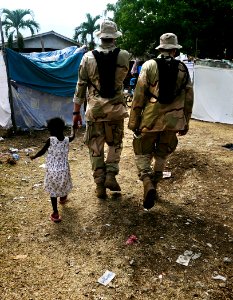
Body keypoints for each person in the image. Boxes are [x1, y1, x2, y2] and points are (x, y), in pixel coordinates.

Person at [128, 33, 194, 209]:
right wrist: (185, 121)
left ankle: (147, 180)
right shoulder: (182, 68)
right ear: (174, 50)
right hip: (173, 121)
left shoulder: (148, 66)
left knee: (142, 152)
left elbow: (138, 96)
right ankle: (155, 184)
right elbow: (189, 98)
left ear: (161, 48)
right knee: (162, 153)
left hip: (151, 119)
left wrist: (134, 122)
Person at [72, 20, 130, 199]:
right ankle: (111, 174)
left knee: (95, 148)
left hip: (95, 110)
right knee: (116, 143)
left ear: (101, 36)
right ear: (114, 37)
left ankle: (99, 186)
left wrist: (76, 113)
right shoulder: (125, 56)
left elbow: (81, 86)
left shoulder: (87, 58)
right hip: (116, 110)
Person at [30, 117, 75, 222]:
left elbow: (42, 151)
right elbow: (73, 136)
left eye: (49, 129)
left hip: (52, 171)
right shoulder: (67, 140)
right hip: (64, 169)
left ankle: (55, 213)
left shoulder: (50, 140)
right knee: (63, 183)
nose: (49, 131)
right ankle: (63, 197)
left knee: (53, 192)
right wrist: (74, 128)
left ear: (52, 130)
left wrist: (34, 156)